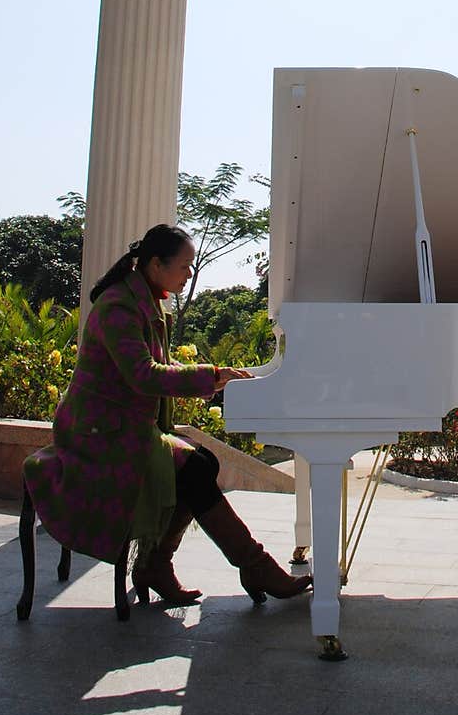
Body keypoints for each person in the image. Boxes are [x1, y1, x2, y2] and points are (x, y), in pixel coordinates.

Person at [23, 223, 311, 604]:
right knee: (195, 468)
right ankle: (245, 564)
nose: (189, 274)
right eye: (184, 266)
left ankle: (163, 564)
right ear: (156, 264)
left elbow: (156, 365)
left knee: (203, 462)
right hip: (96, 435)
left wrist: (217, 376)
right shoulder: (118, 306)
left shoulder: (142, 300)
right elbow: (143, 375)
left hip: (124, 427)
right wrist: (211, 377)